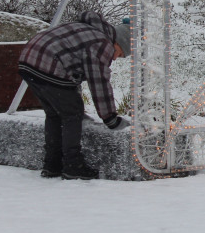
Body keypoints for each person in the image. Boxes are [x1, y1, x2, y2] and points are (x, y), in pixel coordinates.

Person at [18, 11, 132, 180]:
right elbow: (99, 82)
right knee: (73, 114)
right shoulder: (102, 43)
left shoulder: (88, 30)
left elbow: (73, 69)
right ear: (119, 42)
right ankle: (73, 166)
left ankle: (52, 164)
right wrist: (110, 119)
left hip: (29, 61)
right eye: (120, 53)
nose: (115, 58)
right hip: (48, 64)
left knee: (55, 114)